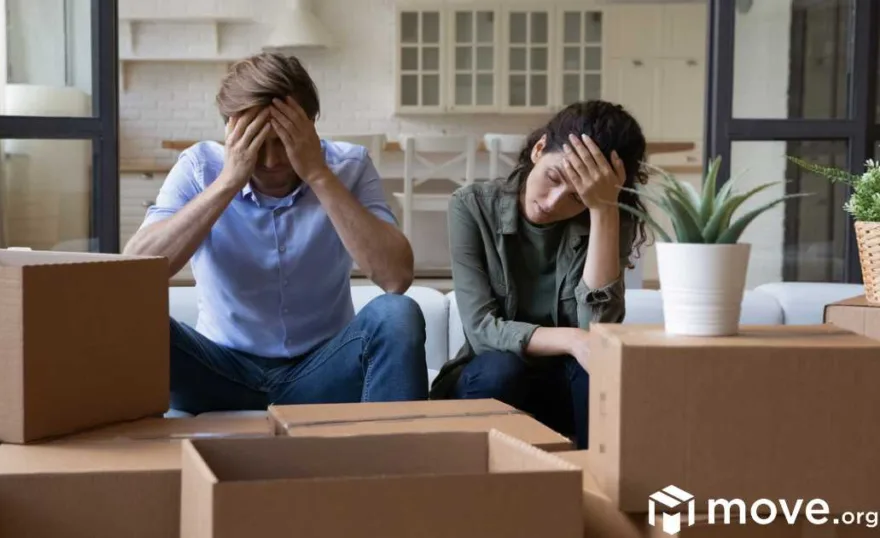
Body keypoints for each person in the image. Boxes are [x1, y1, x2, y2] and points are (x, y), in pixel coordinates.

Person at [125, 52, 427, 415]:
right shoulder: (199, 167)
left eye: (284, 141)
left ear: (310, 127)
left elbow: (397, 278)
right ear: (230, 132)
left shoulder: (350, 166)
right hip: (218, 372)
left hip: (322, 372)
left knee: (397, 314)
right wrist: (228, 181)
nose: (271, 162)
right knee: (128, 315)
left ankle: (394, 452)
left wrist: (318, 174)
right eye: (256, 143)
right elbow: (134, 269)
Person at [429, 101, 649, 449]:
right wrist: (571, 340)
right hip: (490, 381)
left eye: (577, 198)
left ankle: (597, 480)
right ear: (539, 149)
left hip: (564, 389)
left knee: (599, 371)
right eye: (553, 178)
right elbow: (482, 329)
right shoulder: (472, 206)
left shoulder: (606, 219)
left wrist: (603, 211)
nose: (552, 203)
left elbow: (598, 329)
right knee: (502, 370)